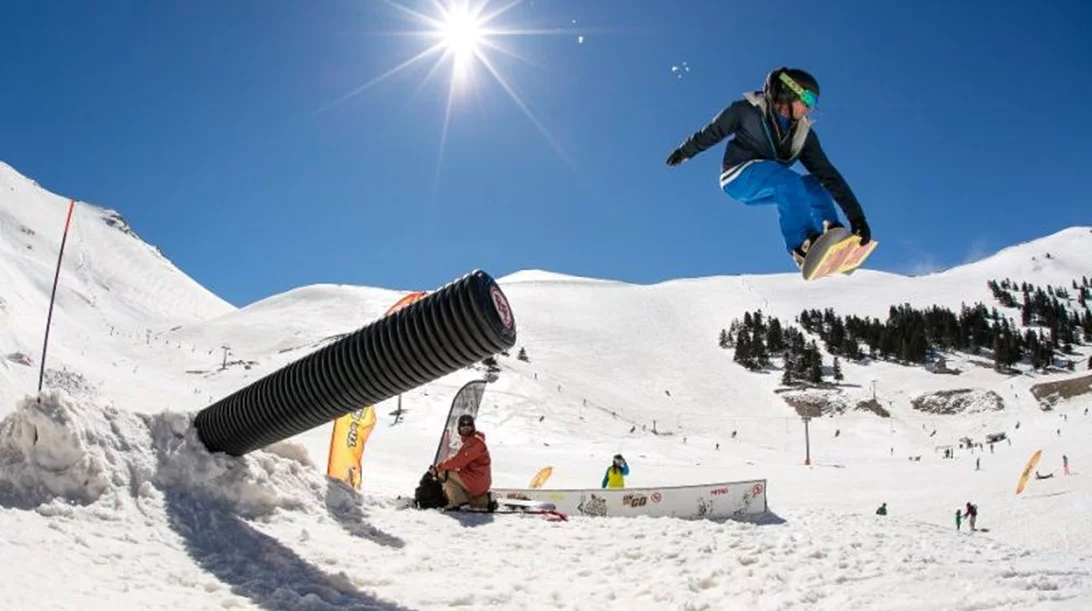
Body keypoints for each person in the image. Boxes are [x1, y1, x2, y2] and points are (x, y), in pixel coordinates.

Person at [665, 67, 871, 268]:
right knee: (789, 181)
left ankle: (832, 233)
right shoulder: (746, 110)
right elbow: (711, 132)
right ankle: (802, 245)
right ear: (788, 92)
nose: (810, 108)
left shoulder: (803, 135)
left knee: (814, 185)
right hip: (738, 176)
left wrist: (857, 217)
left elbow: (829, 174)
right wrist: (684, 152)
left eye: (814, 103)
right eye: (808, 100)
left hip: (769, 182)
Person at [431, 414, 492, 510]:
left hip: (476, 480)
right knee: (452, 476)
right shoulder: (473, 441)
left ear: (473, 427)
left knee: (443, 473)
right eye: (463, 425)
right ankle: (478, 502)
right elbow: (461, 461)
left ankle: (460, 503)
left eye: (469, 424)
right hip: (479, 481)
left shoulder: (474, 442)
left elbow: (458, 461)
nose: (466, 427)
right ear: (459, 428)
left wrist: (438, 467)